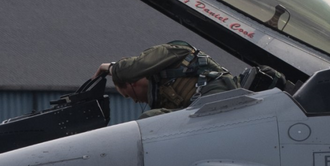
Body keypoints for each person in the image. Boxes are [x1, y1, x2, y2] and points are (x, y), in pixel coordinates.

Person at [96, 41, 240, 118]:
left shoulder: (173, 52)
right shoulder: (161, 96)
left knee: (151, 120)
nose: (135, 101)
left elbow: (128, 70)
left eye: (128, 94)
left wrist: (109, 68)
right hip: (204, 110)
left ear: (132, 82)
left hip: (217, 98)